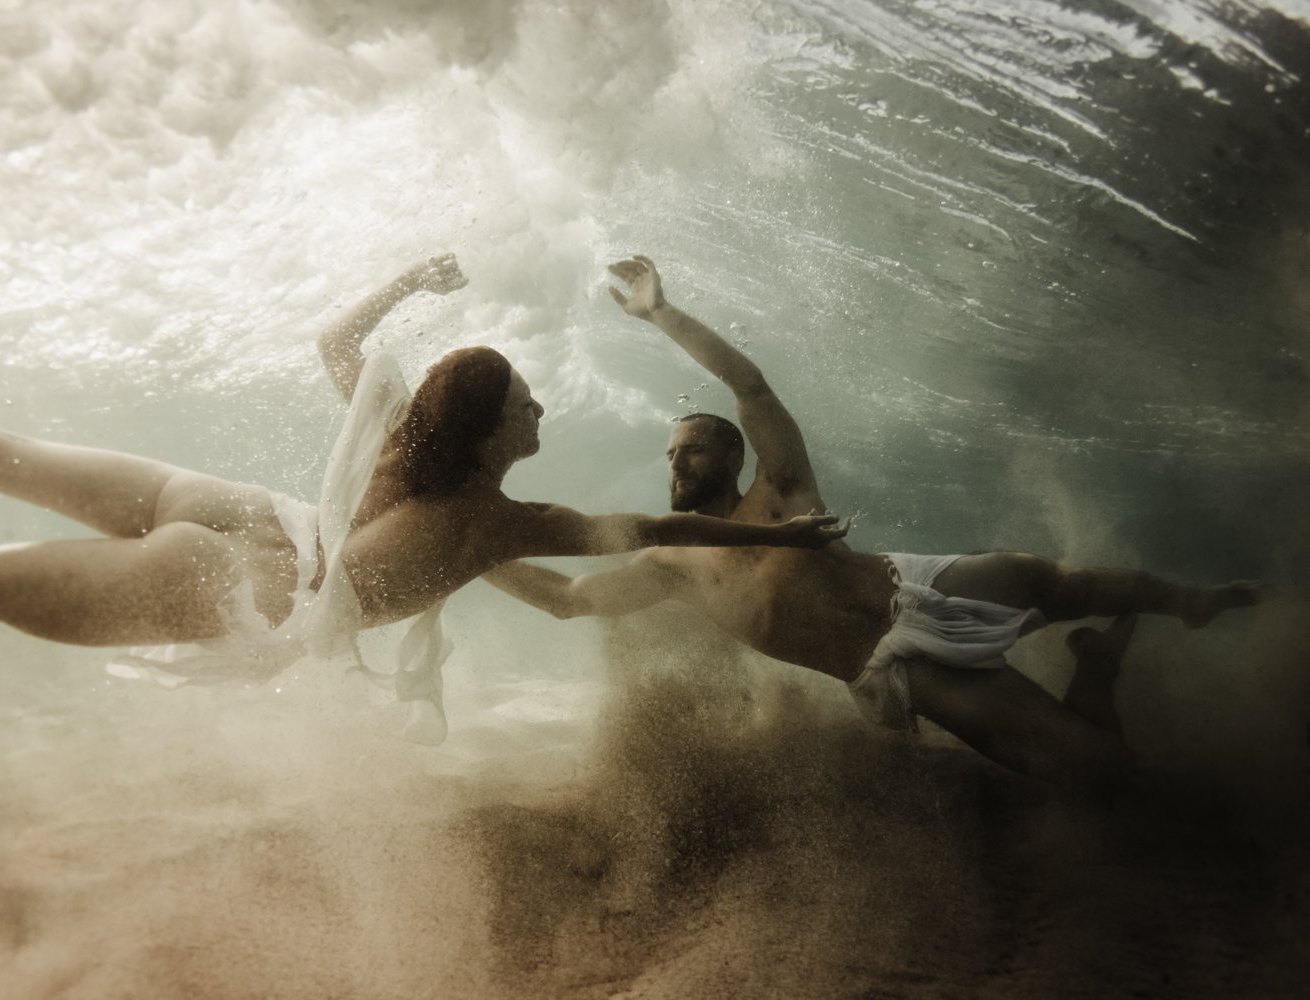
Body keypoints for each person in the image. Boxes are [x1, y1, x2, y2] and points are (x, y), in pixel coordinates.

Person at [0, 254, 847, 743]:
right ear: (490, 431)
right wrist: (784, 528)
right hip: (245, 579)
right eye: (527, 407)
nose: (540, 418)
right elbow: (654, 527)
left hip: (243, 509)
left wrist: (410, 280)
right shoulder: (500, 519)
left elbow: (334, 346)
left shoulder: (407, 443)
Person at [485, 256, 1265, 790]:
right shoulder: (667, 568)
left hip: (907, 582)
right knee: (1095, 771)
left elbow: (749, 385)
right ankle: (1096, 668)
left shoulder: (781, 493)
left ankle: (1185, 601)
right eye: (670, 456)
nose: (674, 468)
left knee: (1056, 581)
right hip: (891, 666)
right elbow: (567, 598)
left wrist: (662, 313)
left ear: (729, 459)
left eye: (689, 452)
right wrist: (476, 554)